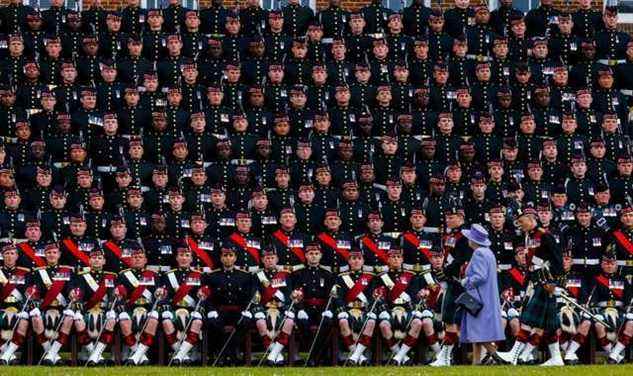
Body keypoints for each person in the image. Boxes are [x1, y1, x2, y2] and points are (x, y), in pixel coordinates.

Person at [459, 224, 505, 365]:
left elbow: (480, 276)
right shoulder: (488, 252)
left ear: (473, 241)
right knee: (476, 330)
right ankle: (476, 361)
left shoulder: (478, 253)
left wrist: (465, 282)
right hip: (487, 296)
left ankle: (497, 356)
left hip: (478, 297)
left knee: (478, 331)